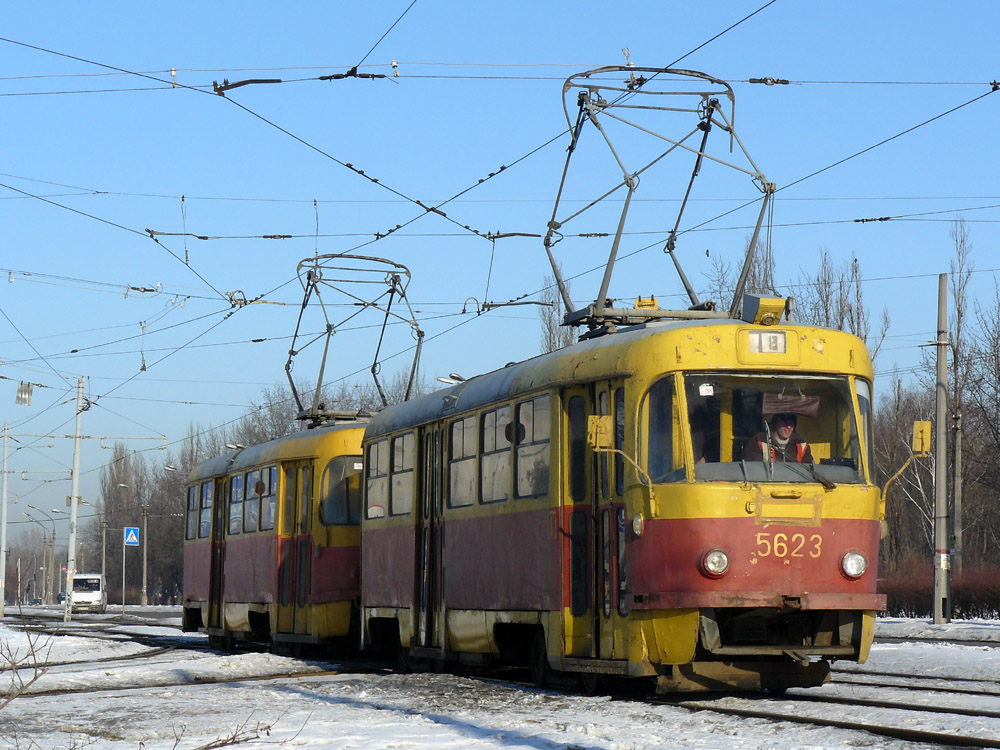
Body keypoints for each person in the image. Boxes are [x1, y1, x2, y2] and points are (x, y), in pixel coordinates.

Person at [742, 413, 813, 463]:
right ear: (775, 424)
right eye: (784, 422)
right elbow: (752, 470)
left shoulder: (801, 445)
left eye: (791, 423)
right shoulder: (757, 442)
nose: (788, 427)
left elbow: (809, 470)